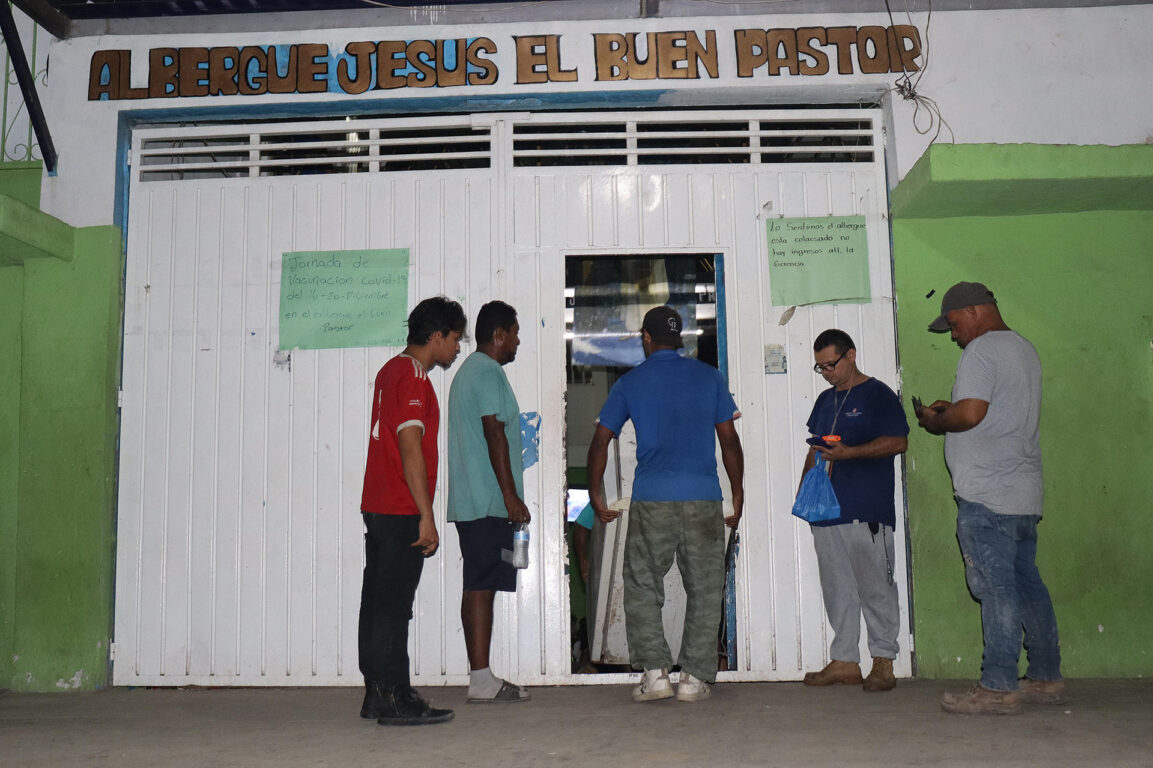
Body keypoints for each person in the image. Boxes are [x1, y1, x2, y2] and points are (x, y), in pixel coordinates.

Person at [916, 281, 1063, 715]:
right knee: (1026, 585)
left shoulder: (980, 351)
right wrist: (954, 408)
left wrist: (936, 421)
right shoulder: (1023, 348)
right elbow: (989, 410)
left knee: (996, 587)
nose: (954, 334)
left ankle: (999, 685)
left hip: (988, 495)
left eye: (955, 324)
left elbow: (973, 414)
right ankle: (1045, 677)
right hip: (1022, 494)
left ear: (975, 311)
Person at [587, 305, 744, 704]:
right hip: (703, 497)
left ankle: (655, 674)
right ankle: (693, 678)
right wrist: (737, 493)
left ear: (646, 338)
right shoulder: (710, 377)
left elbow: (601, 439)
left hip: (653, 498)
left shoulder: (630, 383)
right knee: (706, 588)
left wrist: (595, 494)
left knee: (642, 585)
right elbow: (729, 441)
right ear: (682, 339)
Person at [358, 296, 465, 726]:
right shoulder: (416, 376)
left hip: (378, 505)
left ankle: (377, 694)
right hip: (401, 508)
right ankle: (396, 697)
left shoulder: (390, 370)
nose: (457, 348)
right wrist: (426, 513)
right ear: (436, 336)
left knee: (379, 602)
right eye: (455, 339)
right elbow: (410, 446)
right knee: (394, 605)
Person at [797, 330, 908, 692]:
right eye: (820, 367)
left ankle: (884, 661)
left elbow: (898, 441)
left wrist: (850, 453)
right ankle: (845, 660)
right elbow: (814, 451)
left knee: (876, 587)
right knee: (837, 588)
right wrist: (805, 496)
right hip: (827, 511)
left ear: (851, 355)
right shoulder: (825, 400)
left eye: (831, 364)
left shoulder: (878, 395)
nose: (827, 372)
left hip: (867, 509)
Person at [447, 300, 532, 703]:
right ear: (498, 334)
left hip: (479, 501)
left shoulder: (472, 373)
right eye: (514, 332)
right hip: (486, 501)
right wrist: (510, 496)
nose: (517, 341)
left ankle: (482, 676)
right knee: (480, 586)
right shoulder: (485, 371)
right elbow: (494, 432)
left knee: (481, 585)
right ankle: (481, 680)